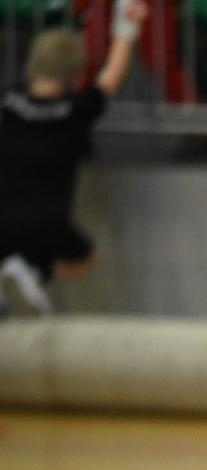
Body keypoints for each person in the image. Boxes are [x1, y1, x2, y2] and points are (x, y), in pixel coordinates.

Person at [0, 0, 148, 315]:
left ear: (29, 68)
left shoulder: (8, 103)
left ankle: (12, 276)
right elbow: (112, 73)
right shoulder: (76, 110)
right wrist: (128, 23)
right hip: (49, 223)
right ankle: (34, 275)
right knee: (84, 258)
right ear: (74, 78)